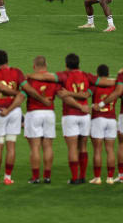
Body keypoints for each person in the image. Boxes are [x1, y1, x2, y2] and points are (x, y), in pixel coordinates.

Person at [28, 54, 96, 184]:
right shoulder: (87, 76)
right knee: (83, 147)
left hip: (70, 114)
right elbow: (101, 82)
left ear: (66, 65)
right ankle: (81, 177)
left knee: (71, 148)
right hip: (84, 115)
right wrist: (85, 101)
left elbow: (46, 77)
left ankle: (74, 178)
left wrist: (29, 76)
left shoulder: (63, 76)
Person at [0, 50, 49, 185]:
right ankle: (8, 178)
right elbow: (28, 90)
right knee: (11, 146)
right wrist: (42, 99)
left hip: (0, 111)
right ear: (7, 60)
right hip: (15, 112)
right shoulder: (17, 72)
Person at [24, 56, 60, 184]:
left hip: (34, 112)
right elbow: (61, 94)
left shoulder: (30, 79)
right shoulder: (52, 79)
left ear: (34, 66)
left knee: (35, 147)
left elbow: (22, 95)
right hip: (49, 113)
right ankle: (47, 176)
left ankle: (35, 177)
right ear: (46, 65)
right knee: (48, 146)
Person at [89, 64, 117, 184]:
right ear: (108, 73)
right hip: (111, 119)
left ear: (97, 74)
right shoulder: (115, 86)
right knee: (110, 150)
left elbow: (85, 95)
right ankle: (110, 178)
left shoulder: (95, 86)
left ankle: (97, 177)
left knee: (97, 150)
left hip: (98, 119)